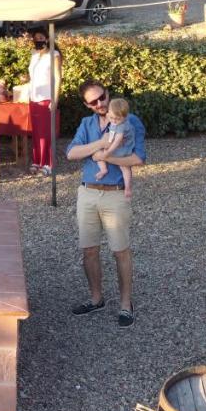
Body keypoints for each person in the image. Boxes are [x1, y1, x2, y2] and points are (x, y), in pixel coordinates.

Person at [64, 80, 145, 327]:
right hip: (87, 192)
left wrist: (103, 157)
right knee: (89, 250)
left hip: (116, 193)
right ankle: (96, 298)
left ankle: (125, 304)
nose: (100, 103)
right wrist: (100, 146)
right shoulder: (87, 124)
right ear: (86, 105)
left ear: (107, 93)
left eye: (102, 97)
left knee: (120, 250)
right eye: (93, 101)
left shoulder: (130, 121)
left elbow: (138, 158)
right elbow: (70, 153)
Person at [26, 26, 61, 176]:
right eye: (35, 39)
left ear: (47, 38)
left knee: (46, 133)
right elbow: (32, 76)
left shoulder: (54, 55)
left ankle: (48, 163)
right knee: (36, 133)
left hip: (47, 98)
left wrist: (55, 99)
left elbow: (58, 78)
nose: (38, 41)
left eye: (41, 38)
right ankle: (37, 160)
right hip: (33, 98)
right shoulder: (34, 54)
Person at [92, 98, 135, 182]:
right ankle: (104, 170)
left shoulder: (121, 126)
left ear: (125, 117)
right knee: (97, 153)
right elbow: (112, 133)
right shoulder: (113, 118)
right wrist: (108, 143)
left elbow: (117, 141)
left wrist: (108, 152)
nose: (114, 121)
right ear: (108, 113)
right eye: (112, 117)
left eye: (117, 118)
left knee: (124, 167)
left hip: (123, 148)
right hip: (116, 144)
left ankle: (127, 187)